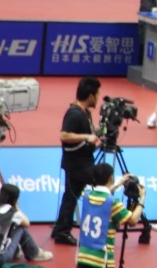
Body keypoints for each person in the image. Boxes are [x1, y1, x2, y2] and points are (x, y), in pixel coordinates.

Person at [53, 77, 103, 246]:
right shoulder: (74, 113)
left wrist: (101, 129)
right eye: (97, 94)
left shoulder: (85, 112)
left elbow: (89, 130)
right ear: (90, 96)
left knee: (70, 197)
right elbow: (64, 135)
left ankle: (60, 230)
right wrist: (87, 137)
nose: (98, 97)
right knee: (103, 182)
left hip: (82, 161)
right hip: (77, 164)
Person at [77, 163, 145, 268]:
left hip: (83, 256)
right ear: (111, 178)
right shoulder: (113, 203)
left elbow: (101, 193)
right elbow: (133, 220)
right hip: (101, 260)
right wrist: (142, 199)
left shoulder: (86, 194)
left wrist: (118, 184)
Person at [0, 184, 53, 266]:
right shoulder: (12, 212)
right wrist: (16, 206)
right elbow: (27, 223)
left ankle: (16, 251)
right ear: (15, 200)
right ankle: (34, 253)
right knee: (20, 228)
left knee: (8, 226)